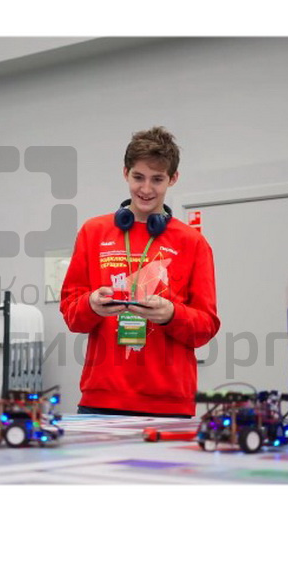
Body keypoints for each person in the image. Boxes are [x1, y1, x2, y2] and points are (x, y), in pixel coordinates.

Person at [60, 126, 220, 416]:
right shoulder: (93, 232)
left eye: (157, 179)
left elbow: (206, 326)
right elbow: (72, 315)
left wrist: (172, 314)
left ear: (173, 178)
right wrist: (91, 304)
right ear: (125, 173)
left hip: (169, 403)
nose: (146, 189)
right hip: (102, 400)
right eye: (138, 177)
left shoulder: (192, 242)